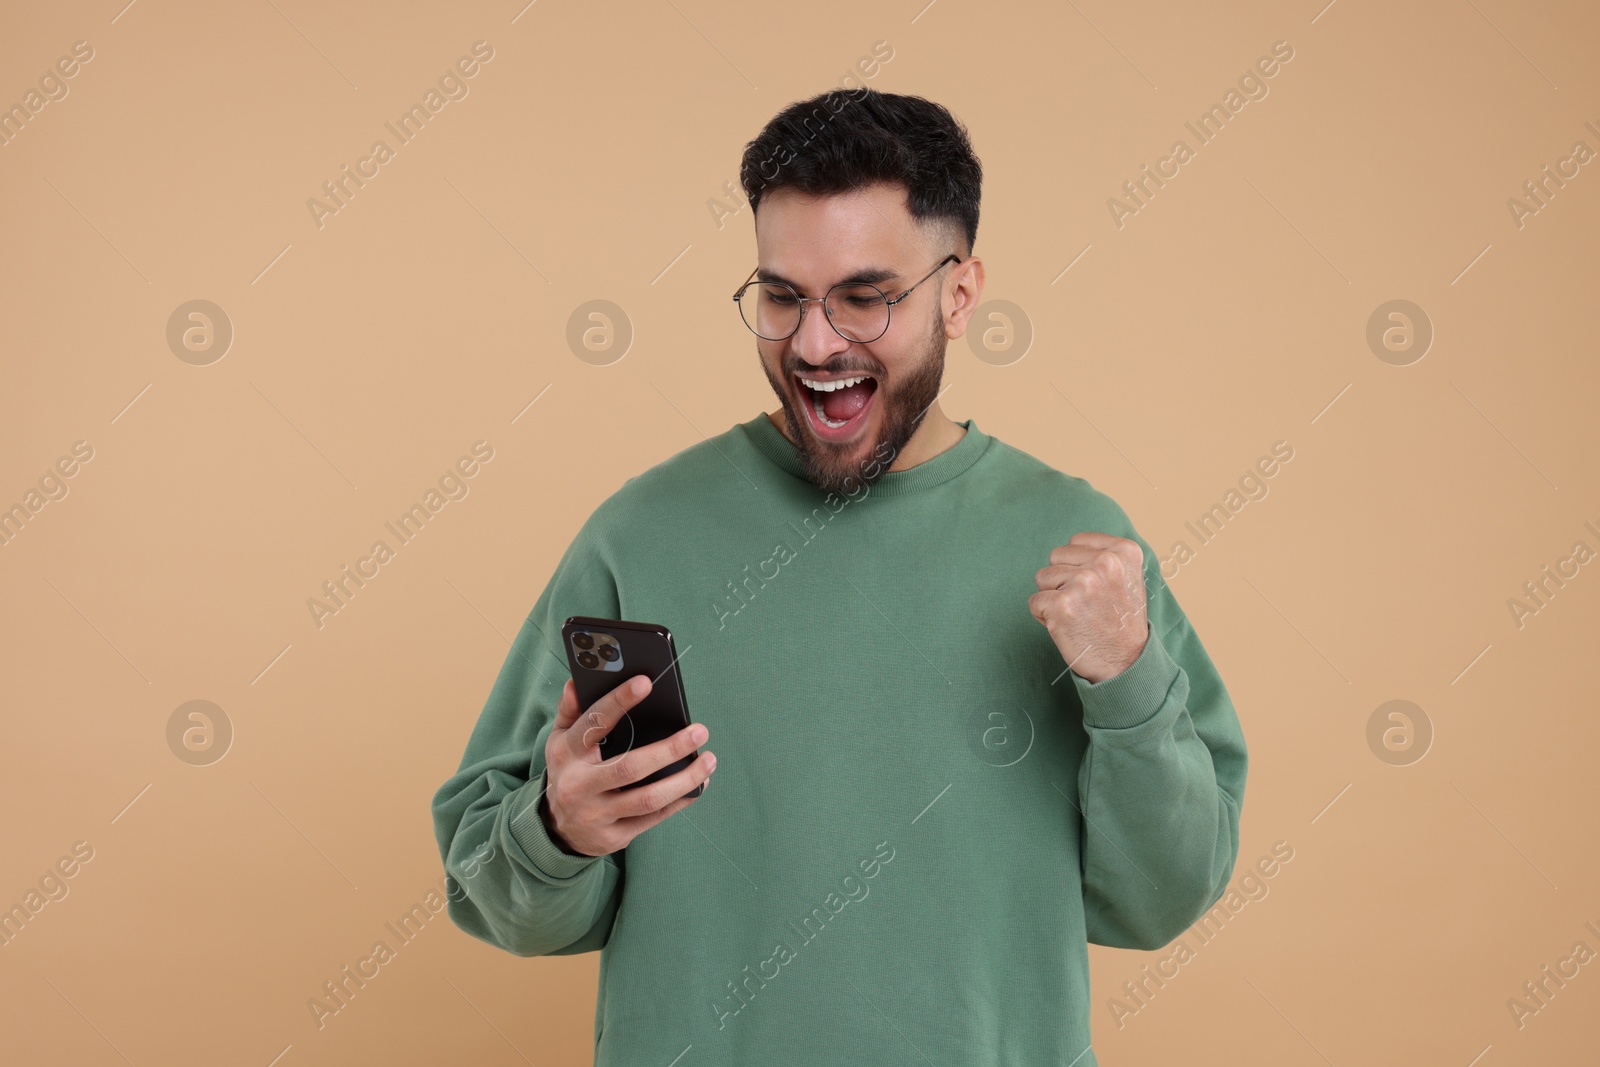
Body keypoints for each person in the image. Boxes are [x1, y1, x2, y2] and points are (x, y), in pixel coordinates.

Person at [431, 87, 1247, 1066]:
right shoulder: (642, 539)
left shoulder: (1077, 546)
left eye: (866, 296)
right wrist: (557, 827)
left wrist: (1128, 684)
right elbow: (495, 898)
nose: (815, 344)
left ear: (959, 291)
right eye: (781, 296)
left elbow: (1163, 897)